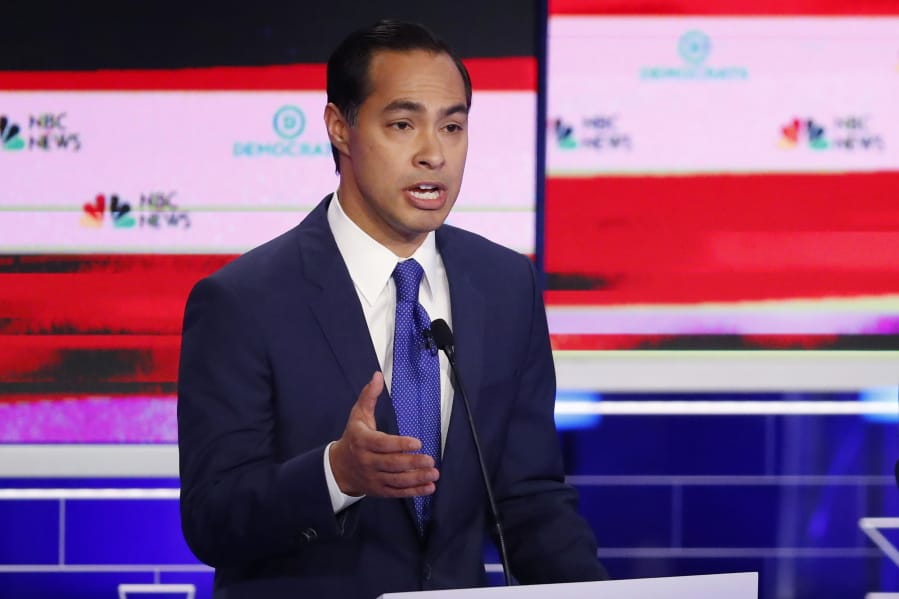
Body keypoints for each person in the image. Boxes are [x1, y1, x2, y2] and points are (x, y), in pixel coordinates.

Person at [177, 19, 608, 599]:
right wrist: (337, 474)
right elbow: (212, 518)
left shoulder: (507, 287)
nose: (433, 154)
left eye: (452, 127)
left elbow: (529, 501)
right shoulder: (242, 302)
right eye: (403, 125)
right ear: (340, 129)